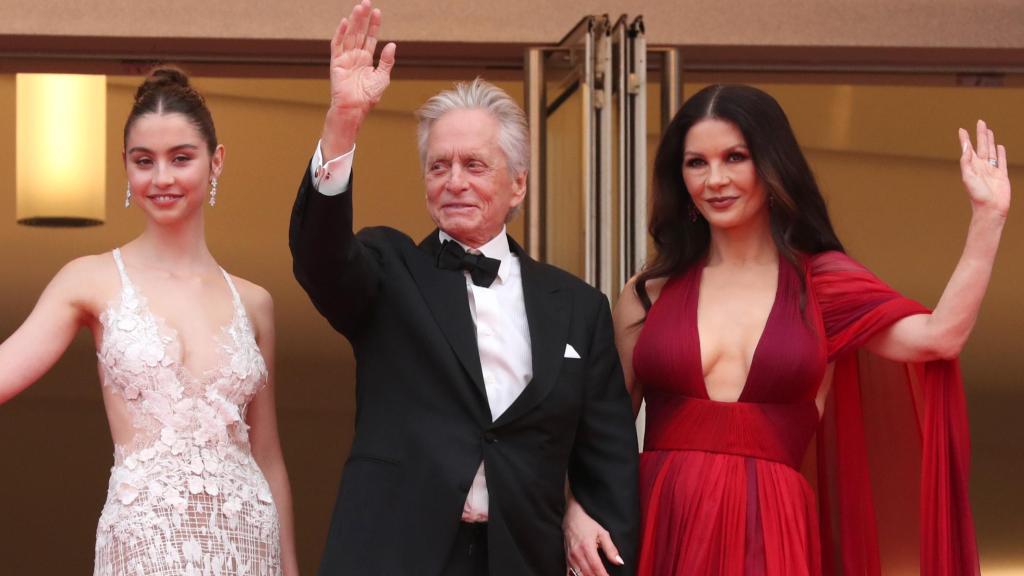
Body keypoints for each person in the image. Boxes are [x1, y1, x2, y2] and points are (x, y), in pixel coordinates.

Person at [564, 84, 1008, 575]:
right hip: (658, 522)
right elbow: (603, 433)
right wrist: (576, 508)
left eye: (736, 157)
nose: (715, 179)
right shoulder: (648, 294)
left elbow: (940, 336)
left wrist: (988, 219)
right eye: (696, 163)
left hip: (770, 526)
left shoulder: (822, 282)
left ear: (772, 164)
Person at [288, 2, 639, 574]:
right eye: (438, 166)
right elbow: (319, 258)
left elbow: (611, 463)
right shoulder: (388, 268)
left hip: (524, 557)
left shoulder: (579, 307)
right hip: (399, 556)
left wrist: (590, 525)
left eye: (475, 165)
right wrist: (343, 122)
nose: (454, 181)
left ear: (517, 183)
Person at [0, 67, 299, 575]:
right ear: (125, 167)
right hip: (144, 543)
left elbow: (267, 455)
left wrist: (290, 569)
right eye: (144, 161)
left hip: (248, 544)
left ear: (215, 161)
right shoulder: (89, 280)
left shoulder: (255, 302)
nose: (162, 178)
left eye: (181, 158)